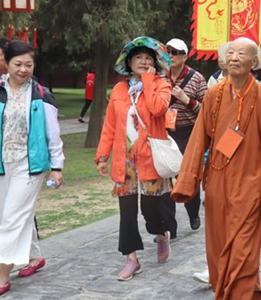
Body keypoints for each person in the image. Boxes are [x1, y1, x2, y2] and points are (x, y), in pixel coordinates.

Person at [171, 37, 261, 299]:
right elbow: (199, 138)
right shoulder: (215, 93)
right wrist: (188, 179)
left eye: (241, 54)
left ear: (254, 62)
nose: (234, 58)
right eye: (230, 53)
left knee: (243, 249)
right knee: (219, 247)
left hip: (250, 183)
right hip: (218, 182)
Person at [95, 36, 173, 281]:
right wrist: (102, 155)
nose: (143, 61)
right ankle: (131, 259)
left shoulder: (162, 85)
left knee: (151, 210)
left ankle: (160, 234)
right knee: (126, 212)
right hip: (124, 161)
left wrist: (149, 80)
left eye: (148, 58)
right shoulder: (119, 89)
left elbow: (158, 108)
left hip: (150, 159)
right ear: (128, 62)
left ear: (155, 63)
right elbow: (109, 125)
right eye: (138, 57)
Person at [0, 40, 65, 297]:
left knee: (11, 220)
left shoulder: (39, 93)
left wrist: (57, 167)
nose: (24, 69)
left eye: (29, 64)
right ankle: (34, 257)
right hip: (2, 164)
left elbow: (53, 134)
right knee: (7, 215)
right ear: (6, 63)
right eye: (18, 64)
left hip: (30, 166)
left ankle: (2, 276)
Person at [160, 38, 207, 235]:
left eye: (175, 52)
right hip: (164, 133)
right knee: (165, 178)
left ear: (185, 56)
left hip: (188, 132)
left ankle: (193, 212)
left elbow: (207, 110)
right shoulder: (160, 76)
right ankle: (170, 227)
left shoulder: (197, 78)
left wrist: (186, 99)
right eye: (168, 51)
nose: (170, 55)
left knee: (187, 176)